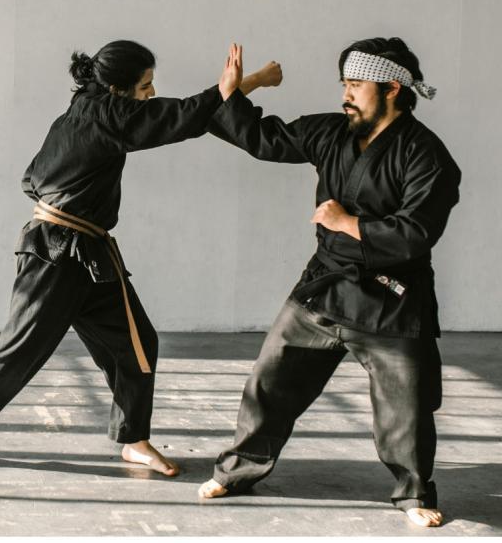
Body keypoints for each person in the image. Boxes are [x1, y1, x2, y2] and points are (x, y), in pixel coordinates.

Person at [0, 41, 279, 477]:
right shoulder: (105, 115)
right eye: (145, 85)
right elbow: (178, 118)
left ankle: (133, 440)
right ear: (118, 89)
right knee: (18, 353)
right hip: (55, 255)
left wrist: (243, 85)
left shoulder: (90, 109)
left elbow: (37, 175)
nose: (151, 93)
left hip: (91, 254)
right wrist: (240, 85)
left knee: (135, 343)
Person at [197, 37, 461, 528]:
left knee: (406, 408)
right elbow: (265, 138)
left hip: (391, 299)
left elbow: (417, 232)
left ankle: (413, 494)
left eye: (355, 84)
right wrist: (232, 94)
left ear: (392, 89)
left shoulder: (427, 155)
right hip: (324, 286)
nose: (346, 93)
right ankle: (236, 472)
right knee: (269, 382)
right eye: (344, 83)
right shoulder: (331, 132)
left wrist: (349, 224)